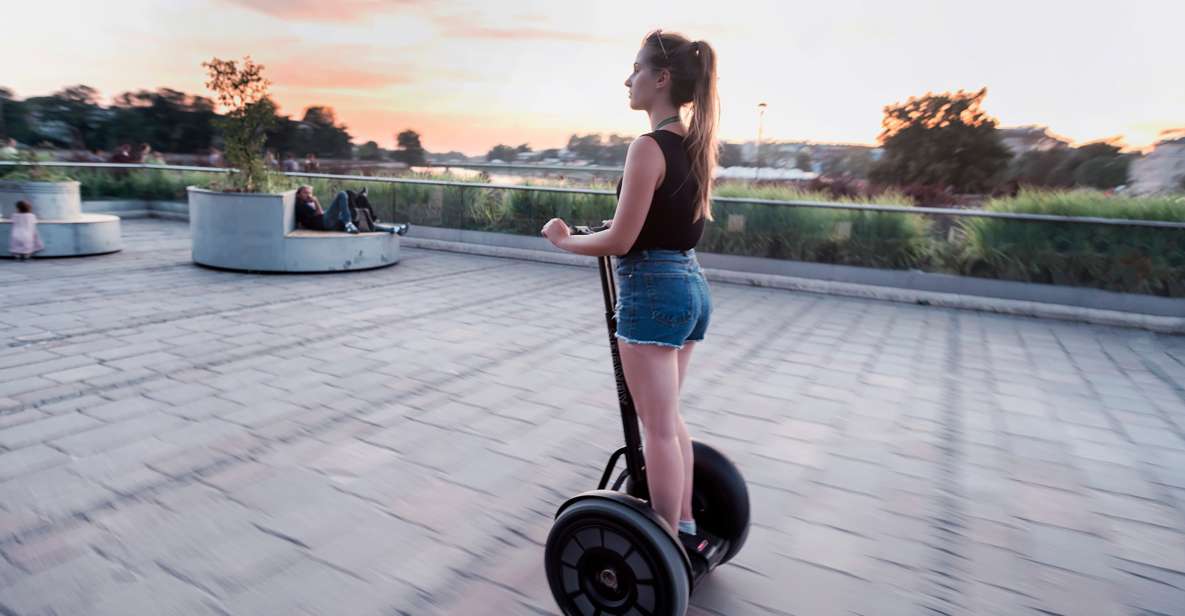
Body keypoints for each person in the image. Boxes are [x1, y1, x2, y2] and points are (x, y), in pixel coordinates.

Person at [541, 30, 719, 552]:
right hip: (689, 284)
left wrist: (564, 239)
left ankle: (663, 544)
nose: (628, 78)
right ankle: (684, 527)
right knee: (667, 420)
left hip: (653, 288)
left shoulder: (647, 148)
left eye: (636, 69)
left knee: (657, 429)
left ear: (661, 79)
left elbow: (621, 238)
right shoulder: (694, 144)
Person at [293, 185, 359, 234]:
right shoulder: (301, 206)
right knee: (342, 194)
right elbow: (319, 213)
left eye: (309, 193)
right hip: (324, 222)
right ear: (298, 195)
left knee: (349, 206)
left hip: (324, 219)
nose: (308, 195)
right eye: (305, 193)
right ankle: (348, 224)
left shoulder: (307, 202)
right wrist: (316, 201)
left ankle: (349, 224)